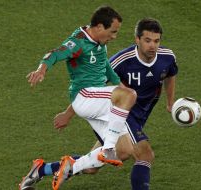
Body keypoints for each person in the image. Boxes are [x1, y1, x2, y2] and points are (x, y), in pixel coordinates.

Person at [20, 18, 178, 190]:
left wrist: (170, 103)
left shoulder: (167, 57)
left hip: (138, 117)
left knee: (91, 167)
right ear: (137, 40)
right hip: (120, 114)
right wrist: (68, 113)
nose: (152, 46)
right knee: (144, 154)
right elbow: (92, 91)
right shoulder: (121, 61)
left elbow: (170, 75)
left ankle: (42, 169)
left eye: (156, 41)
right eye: (147, 40)